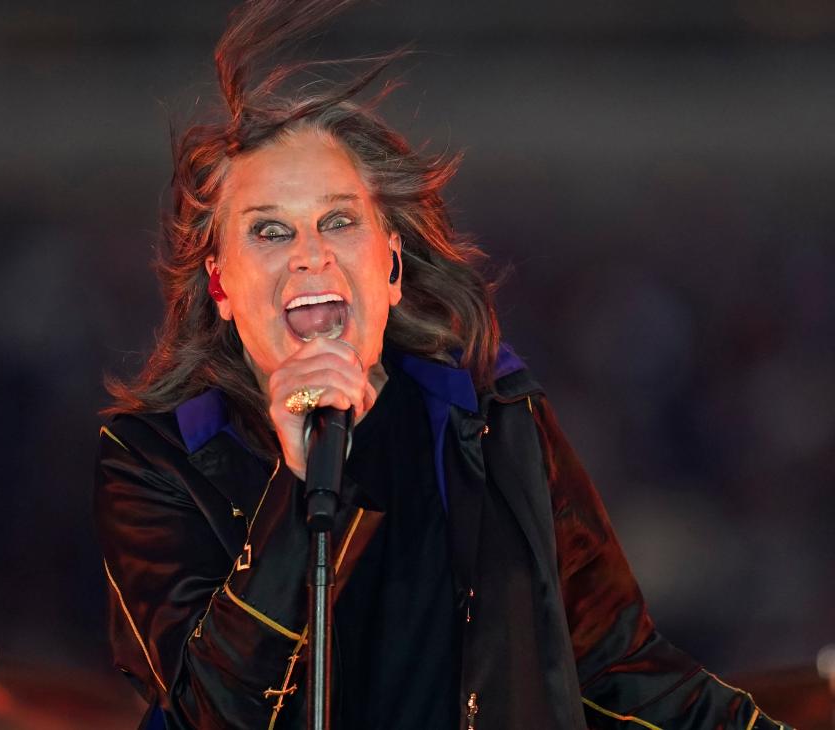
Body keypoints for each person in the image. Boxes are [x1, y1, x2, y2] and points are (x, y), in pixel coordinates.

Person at [93, 2, 788, 728]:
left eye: (338, 220)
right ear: (220, 286)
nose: (309, 253)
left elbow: (618, 672)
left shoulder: (490, 420)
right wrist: (293, 497)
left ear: (390, 265)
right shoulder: (153, 460)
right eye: (269, 229)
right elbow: (210, 711)